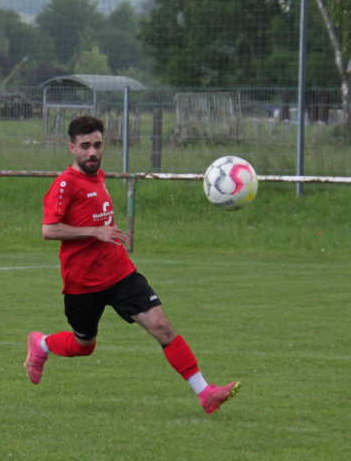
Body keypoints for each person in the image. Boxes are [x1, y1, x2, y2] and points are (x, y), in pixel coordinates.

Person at [24, 115, 239, 415]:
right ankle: (42, 344)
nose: (92, 153)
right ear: (71, 147)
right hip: (82, 283)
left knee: (161, 326)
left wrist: (103, 235)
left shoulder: (99, 177)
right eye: (85, 146)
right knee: (84, 345)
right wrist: (95, 232)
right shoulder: (64, 184)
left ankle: (206, 393)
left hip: (120, 273)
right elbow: (49, 229)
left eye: (97, 145)